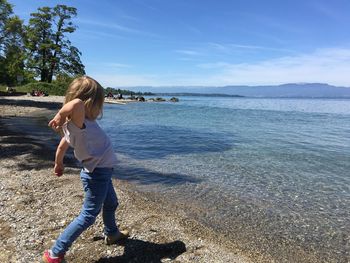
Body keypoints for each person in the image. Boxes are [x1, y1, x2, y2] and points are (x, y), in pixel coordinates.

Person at [43, 76, 129, 263]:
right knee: (88, 216)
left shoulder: (75, 127)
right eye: (99, 104)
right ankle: (55, 253)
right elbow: (77, 104)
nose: (100, 110)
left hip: (101, 173)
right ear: (90, 103)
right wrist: (60, 114)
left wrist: (58, 163)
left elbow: (62, 147)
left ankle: (112, 233)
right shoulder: (78, 123)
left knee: (111, 203)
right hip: (97, 174)